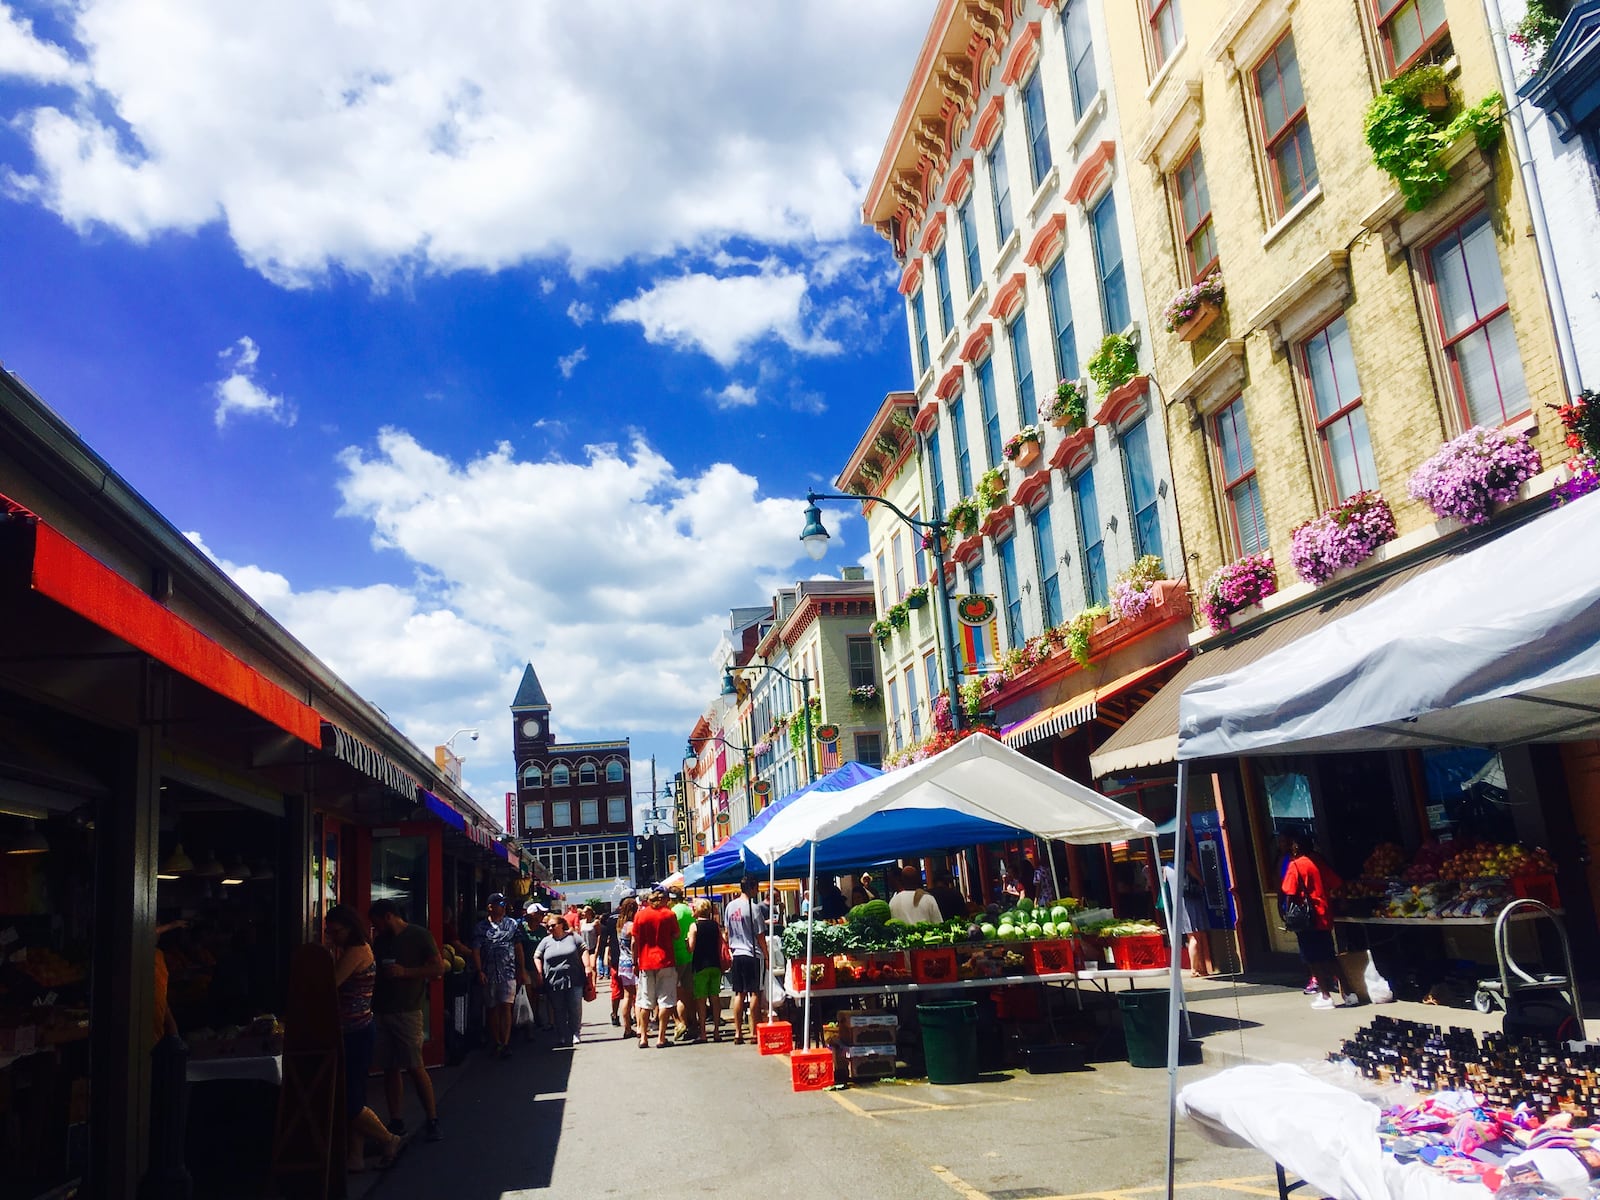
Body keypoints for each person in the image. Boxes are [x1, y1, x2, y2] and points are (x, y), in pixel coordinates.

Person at [323, 905, 405, 1172]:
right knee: (353, 1093)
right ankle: (355, 1156)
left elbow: (329, 984)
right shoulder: (358, 949)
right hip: (356, 1028)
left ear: (349, 928)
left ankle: (388, 1138)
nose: (332, 936)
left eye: (335, 932)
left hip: (354, 1032)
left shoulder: (356, 952)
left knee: (349, 1101)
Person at [368, 899, 447, 1141]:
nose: (376, 927)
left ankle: (432, 1118)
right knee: (390, 1067)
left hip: (408, 1010)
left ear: (389, 916)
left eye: (378, 922)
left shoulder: (419, 935)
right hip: (381, 1010)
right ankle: (396, 1120)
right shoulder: (380, 941)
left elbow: (438, 969)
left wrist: (406, 972)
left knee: (415, 1066)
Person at [1281, 837, 1357, 1009]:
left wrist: (1286, 914)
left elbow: (1289, 891)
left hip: (1307, 920)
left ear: (1296, 847)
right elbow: (1338, 883)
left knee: (1312, 959)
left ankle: (1325, 995)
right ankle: (1349, 994)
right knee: (1329, 956)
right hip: (1323, 915)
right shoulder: (1318, 863)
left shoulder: (1296, 865)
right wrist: (1343, 901)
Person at [470, 893, 528, 1059]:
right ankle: (496, 1041)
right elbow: (476, 950)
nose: (503, 907)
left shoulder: (512, 924)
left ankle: (505, 1042)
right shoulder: (481, 927)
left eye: (504, 904)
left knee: (506, 1006)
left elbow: (518, 948)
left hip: (508, 972)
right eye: (500, 904)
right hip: (488, 974)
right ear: (490, 907)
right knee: (492, 1008)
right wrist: (480, 970)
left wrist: (521, 970)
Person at [631, 887, 679, 1048]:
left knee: (645, 1001)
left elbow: (634, 941)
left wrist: (634, 962)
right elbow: (676, 935)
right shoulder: (669, 914)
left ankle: (643, 1037)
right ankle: (661, 1037)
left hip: (645, 961)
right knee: (665, 1001)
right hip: (665, 960)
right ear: (664, 899)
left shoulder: (640, 915)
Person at [723, 875, 767, 1045]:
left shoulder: (730, 906)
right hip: (752, 953)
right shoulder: (753, 908)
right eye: (757, 887)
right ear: (751, 887)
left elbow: (726, 932)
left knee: (739, 993)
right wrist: (767, 954)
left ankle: (738, 1032)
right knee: (754, 992)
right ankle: (755, 1032)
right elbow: (760, 935)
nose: (758, 891)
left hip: (737, 953)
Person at [533, 915, 587, 1046]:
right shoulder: (546, 941)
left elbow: (584, 949)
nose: (550, 928)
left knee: (575, 1007)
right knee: (558, 1009)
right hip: (553, 981)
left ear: (562, 924)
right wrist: (540, 972)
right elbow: (536, 956)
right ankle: (562, 1034)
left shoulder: (573, 937)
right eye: (549, 926)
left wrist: (588, 966)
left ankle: (575, 1033)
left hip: (574, 979)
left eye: (553, 925)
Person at [686, 899, 724, 1043]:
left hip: (700, 965)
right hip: (715, 964)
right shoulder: (715, 925)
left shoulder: (694, 926)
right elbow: (720, 944)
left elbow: (691, 948)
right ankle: (716, 1031)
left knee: (701, 1000)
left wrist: (686, 943)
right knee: (715, 998)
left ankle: (703, 1032)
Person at [668, 886, 697, 1043]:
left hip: (676, 956)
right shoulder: (689, 910)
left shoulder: (673, 913)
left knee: (677, 994)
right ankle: (693, 1024)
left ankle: (682, 1023)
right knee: (690, 993)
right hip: (690, 955)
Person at [610, 896, 638, 1038]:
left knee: (627, 996)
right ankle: (640, 1027)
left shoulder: (620, 924)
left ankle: (627, 1027)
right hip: (632, 962)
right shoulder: (631, 925)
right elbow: (634, 944)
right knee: (638, 997)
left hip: (622, 962)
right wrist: (635, 962)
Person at [595, 899, 624, 1026]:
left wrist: (600, 953)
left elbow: (603, 938)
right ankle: (632, 1016)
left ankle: (614, 1014)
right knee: (632, 990)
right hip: (627, 957)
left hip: (615, 957)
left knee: (616, 988)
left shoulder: (610, 918)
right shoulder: (632, 917)